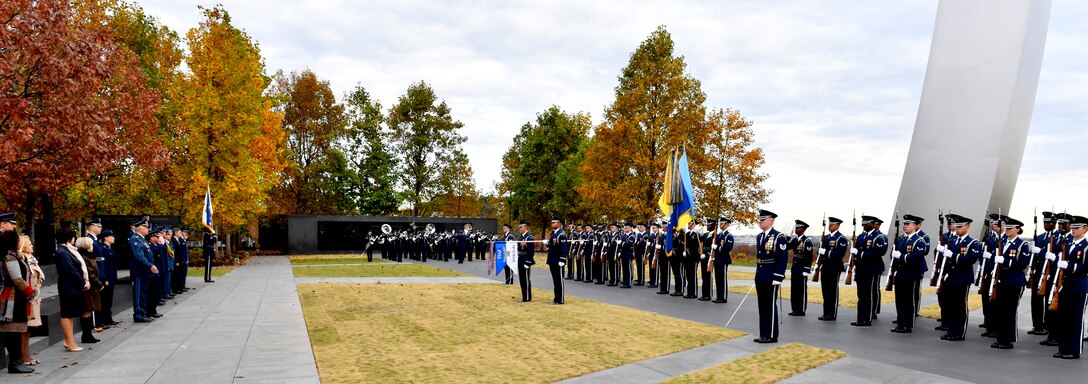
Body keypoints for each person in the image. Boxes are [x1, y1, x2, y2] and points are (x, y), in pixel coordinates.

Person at [937, 214, 982, 341]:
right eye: (956, 226)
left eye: (960, 226)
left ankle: (959, 332)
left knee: (960, 306)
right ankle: (951, 330)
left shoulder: (972, 243)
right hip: (950, 277)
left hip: (962, 277)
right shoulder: (952, 241)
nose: (957, 229)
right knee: (950, 305)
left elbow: (970, 260)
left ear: (967, 227)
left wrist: (953, 255)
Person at [990, 216, 1030, 349]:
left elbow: (1023, 264)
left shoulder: (1022, 245)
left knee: (1010, 311)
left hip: (1014, 282)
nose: (1007, 230)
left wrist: (1005, 261)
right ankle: (1000, 337)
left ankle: (1008, 339)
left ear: (1017, 229)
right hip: (1002, 280)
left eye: (1010, 228)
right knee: (1000, 310)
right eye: (1006, 228)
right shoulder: (1002, 242)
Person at [1051, 215, 1087, 359]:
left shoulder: (1086, 247)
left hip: (1079, 286)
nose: (1073, 230)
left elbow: (1086, 267)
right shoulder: (1067, 243)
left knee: (1076, 319)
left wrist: (1070, 266)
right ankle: (1064, 347)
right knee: (1064, 318)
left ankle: (1075, 350)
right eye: (1072, 227)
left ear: (1085, 229)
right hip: (1065, 285)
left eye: (1077, 228)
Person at [2, 231, 36, 373]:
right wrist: (31, 292)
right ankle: (15, 362)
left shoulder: (15, 256)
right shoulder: (10, 257)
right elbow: (17, 279)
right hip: (12, 299)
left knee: (16, 331)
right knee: (12, 332)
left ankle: (17, 361)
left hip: (18, 298)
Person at [753, 210, 788, 343]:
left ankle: (772, 335)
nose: (760, 222)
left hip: (771, 274)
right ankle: (764, 333)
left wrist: (778, 277)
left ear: (771, 221)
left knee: (769, 305)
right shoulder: (759, 236)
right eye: (760, 220)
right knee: (762, 306)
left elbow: (782, 258)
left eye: (763, 220)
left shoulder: (779, 237)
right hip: (761, 274)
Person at [891, 214, 929, 333]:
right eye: (904, 224)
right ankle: (900, 322)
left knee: (909, 300)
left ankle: (908, 324)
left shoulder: (919, 241)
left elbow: (916, 257)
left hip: (911, 273)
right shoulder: (902, 239)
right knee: (900, 300)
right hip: (901, 273)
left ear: (914, 226)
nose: (905, 226)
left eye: (908, 224)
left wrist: (901, 256)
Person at [54, 226, 87, 352]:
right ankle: (69, 341)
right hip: (68, 286)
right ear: (70, 238)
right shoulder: (62, 252)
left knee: (70, 314)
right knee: (67, 314)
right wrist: (82, 282)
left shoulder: (66, 250)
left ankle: (69, 340)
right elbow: (71, 270)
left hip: (71, 286)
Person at [851, 215, 887, 327]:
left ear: (872, 223)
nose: (864, 225)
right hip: (861, 268)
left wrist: (860, 253)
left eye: (866, 223)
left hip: (871, 268)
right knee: (861, 295)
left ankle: (868, 318)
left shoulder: (879, 237)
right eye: (863, 223)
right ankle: (860, 318)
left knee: (868, 294)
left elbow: (879, 253)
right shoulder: (861, 237)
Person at [1028, 211, 1056, 336]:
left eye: (1049, 222)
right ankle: (1037, 325)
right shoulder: (1039, 237)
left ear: (1054, 223)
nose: (1046, 224)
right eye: (1044, 222)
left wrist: (1042, 251)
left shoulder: (1057, 237)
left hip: (1050, 272)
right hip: (1039, 271)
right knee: (1036, 299)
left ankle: (1048, 325)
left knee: (1048, 300)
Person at [19, 235, 44, 368]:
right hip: (27, 296)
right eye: (29, 244)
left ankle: (26, 354)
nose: (32, 246)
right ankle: (23, 355)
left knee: (29, 328)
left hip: (34, 296)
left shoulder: (31, 259)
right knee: (24, 327)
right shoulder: (22, 259)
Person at [817, 217, 848, 321]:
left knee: (832, 290)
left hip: (835, 267)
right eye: (829, 225)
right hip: (825, 266)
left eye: (832, 225)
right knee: (825, 291)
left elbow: (839, 254)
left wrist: (825, 252)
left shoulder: (841, 238)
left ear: (838, 225)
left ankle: (832, 313)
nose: (830, 226)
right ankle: (826, 313)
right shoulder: (825, 238)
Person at [74, 237, 102, 344]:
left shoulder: (88, 256)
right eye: (91, 244)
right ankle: (86, 335)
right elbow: (90, 273)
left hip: (92, 288)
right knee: (86, 311)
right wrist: (98, 283)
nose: (92, 246)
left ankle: (88, 334)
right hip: (87, 288)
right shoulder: (84, 257)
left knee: (89, 311)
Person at [129, 218, 158, 323]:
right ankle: (138, 314)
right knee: (139, 294)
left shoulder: (142, 239)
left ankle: (142, 312)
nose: (148, 229)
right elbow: (139, 256)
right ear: (140, 229)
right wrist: (150, 265)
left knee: (143, 293)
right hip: (139, 272)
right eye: (146, 227)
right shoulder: (135, 239)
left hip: (145, 272)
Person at [788, 220, 814, 316]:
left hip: (802, 267)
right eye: (796, 227)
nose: (796, 229)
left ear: (803, 229)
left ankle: (801, 309)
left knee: (801, 290)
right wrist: (787, 238)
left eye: (798, 228)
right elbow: (786, 246)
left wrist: (807, 269)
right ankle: (795, 309)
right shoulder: (795, 240)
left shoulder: (807, 241)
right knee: (794, 289)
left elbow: (808, 256)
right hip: (795, 267)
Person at [96, 230, 120, 328]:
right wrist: (105, 278)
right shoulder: (104, 249)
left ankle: (108, 318)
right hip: (108, 277)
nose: (113, 238)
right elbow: (104, 265)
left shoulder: (109, 248)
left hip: (111, 276)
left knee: (109, 299)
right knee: (106, 299)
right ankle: (105, 319)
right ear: (106, 238)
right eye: (111, 236)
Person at [541, 217, 568, 305]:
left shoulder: (561, 234)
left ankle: (560, 299)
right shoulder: (554, 234)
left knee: (559, 280)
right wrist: (547, 243)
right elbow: (553, 245)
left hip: (558, 260)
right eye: (551, 223)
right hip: (552, 260)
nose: (552, 224)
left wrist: (563, 259)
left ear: (559, 223)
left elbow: (564, 248)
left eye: (554, 223)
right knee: (555, 280)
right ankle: (556, 298)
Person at [711, 218, 735, 304]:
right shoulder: (718, 235)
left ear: (727, 224)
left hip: (723, 260)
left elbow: (728, 247)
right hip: (717, 259)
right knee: (718, 279)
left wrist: (717, 248)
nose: (720, 225)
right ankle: (719, 296)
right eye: (720, 223)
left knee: (722, 279)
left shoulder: (729, 236)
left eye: (722, 223)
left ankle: (723, 297)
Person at [698, 219, 716, 301]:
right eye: (707, 225)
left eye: (709, 225)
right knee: (704, 276)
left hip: (709, 257)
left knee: (708, 276)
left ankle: (708, 294)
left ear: (713, 226)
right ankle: (704, 294)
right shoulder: (706, 234)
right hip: (704, 256)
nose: (707, 226)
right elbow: (699, 239)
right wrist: (697, 232)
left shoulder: (715, 235)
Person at [516, 222, 535, 302]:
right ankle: (524, 296)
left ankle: (527, 297)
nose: (519, 229)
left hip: (526, 259)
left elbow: (531, 251)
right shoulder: (520, 237)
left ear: (525, 227)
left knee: (526, 279)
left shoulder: (529, 237)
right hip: (520, 258)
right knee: (522, 279)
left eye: (520, 227)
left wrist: (528, 261)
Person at [171, 227, 191, 295]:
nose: (181, 234)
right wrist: (178, 261)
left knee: (182, 274)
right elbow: (178, 252)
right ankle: (178, 288)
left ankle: (181, 286)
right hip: (179, 260)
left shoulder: (178, 240)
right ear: (176, 233)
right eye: (179, 232)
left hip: (182, 260)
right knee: (179, 275)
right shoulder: (175, 240)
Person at [619, 223, 635, 289]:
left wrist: (622, 243)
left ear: (631, 228)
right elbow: (622, 245)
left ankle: (628, 283)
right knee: (624, 269)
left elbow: (628, 244)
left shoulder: (632, 236)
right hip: (623, 253)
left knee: (628, 269)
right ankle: (625, 282)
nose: (625, 229)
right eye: (625, 228)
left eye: (627, 227)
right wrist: (623, 244)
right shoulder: (624, 235)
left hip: (628, 254)